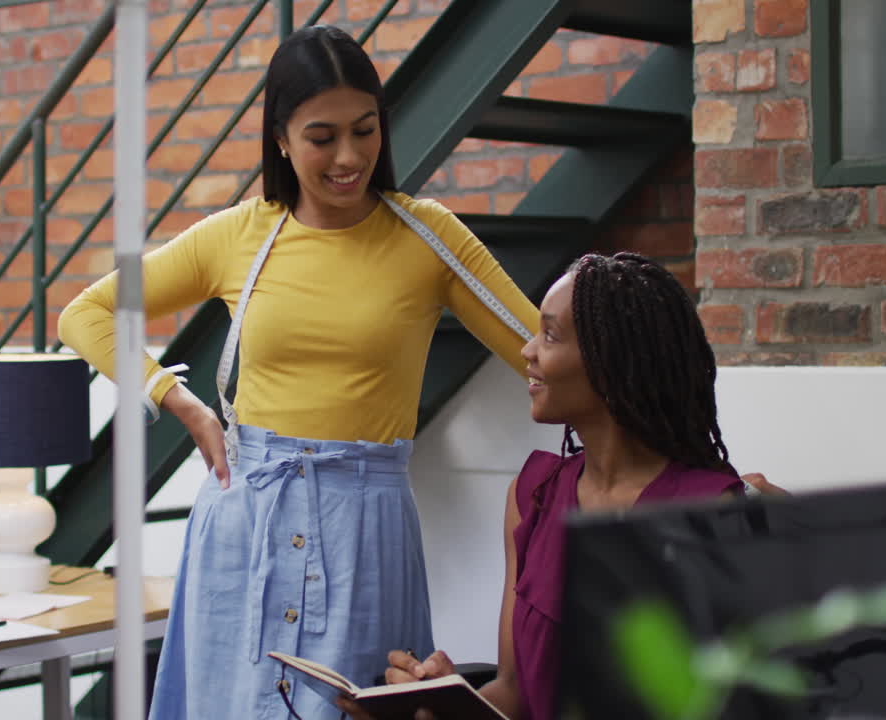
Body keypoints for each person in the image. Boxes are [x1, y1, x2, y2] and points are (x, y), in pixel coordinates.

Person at [58, 25, 540, 720]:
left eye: (365, 130)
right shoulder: (237, 236)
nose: (350, 157)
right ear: (280, 138)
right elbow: (89, 311)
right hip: (243, 522)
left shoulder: (427, 238)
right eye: (322, 137)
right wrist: (182, 403)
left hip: (364, 532)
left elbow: (541, 348)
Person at [337, 252, 756, 720]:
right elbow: (512, 692)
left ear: (611, 363)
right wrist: (446, 701)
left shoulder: (707, 512)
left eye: (550, 335)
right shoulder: (532, 496)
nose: (528, 350)